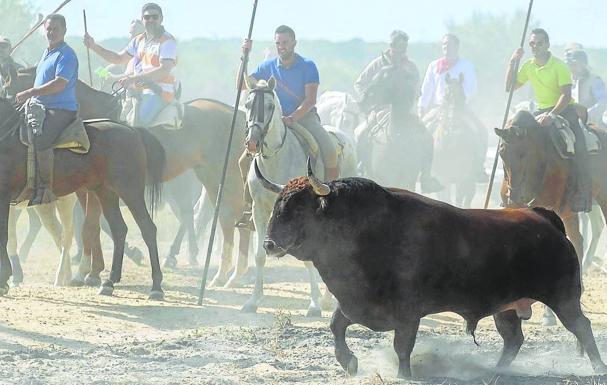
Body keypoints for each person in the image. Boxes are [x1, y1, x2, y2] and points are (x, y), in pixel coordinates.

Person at [235, 25, 338, 229]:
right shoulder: (267, 66)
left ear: (293, 43)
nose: (281, 47)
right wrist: (244, 57)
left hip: (304, 118)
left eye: (285, 42)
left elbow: (310, 100)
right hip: (273, 122)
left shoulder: (308, 66)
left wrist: (291, 118)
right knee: (243, 160)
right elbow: (242, 85)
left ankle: (331, 202)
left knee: (329, 150)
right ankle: (250, 208)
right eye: (278, 43)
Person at [506, 28, 591, 212]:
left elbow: (566, 95)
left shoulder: (559, 66)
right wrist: (513, 62)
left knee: (579, 144)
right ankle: (518, 189)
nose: (535, 47)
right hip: (540, 110)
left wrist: (552, 115)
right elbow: (510, 87)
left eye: (539, 43)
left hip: (564, 109)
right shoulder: (528, 65)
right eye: (532, 44)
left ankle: (583, 193)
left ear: (547, 44)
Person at [354, 30, 443, 193]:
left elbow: (418, 89)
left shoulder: (410, 67)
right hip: (380, 110)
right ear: (391, 45)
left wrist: (412, 95)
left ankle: (426, 178)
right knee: (362, 133)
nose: (400, 51)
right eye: (397, 46)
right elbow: (360, 84)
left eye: (404, 47)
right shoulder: (377, 64)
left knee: (427, 138)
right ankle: (361, 166)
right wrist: (370, 100)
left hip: (406, 110)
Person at [15, 14, 79, 205]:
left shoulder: (66, 54)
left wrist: (31, 91)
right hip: (40, 106)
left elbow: (59, 84)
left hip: (60, 109)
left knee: (40, 136)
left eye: (55, 29)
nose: (51, 32)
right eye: (49, 29)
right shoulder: (47, 53)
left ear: (64, 31)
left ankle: (45, 189)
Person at [84, 3, 177, 127]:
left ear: (161, 19)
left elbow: (164, 70)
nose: (151, 20)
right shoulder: (138, 41)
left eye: (154, 17)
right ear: (143, 19)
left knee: (136, 126)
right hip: (134, 90)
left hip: (157, 92)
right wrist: (93, 46)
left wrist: (127, 78)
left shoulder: (167, 41)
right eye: (147, 17)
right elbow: (118, 59)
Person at [418, 33, 487, 181]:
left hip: (462, 107)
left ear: (457, 46)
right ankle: (423, 169)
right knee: (422, 130)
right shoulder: (434, 66)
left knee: (480, 130)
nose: (446, 48)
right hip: (439, 108)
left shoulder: (466, 66)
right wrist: (422, 106)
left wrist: (461, 104)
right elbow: (427, 88)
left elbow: (472, 88)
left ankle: (478, 167)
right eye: (444, 45)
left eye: (449, 45)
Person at [565, 49, 607, 128]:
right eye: (570, 65)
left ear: (584, 64)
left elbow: (603, 102)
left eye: (575, 65)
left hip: (593, 124)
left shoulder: (594, 81)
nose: (572, 68)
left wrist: (586, 114)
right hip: (570, 123)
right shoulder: (566, 82)